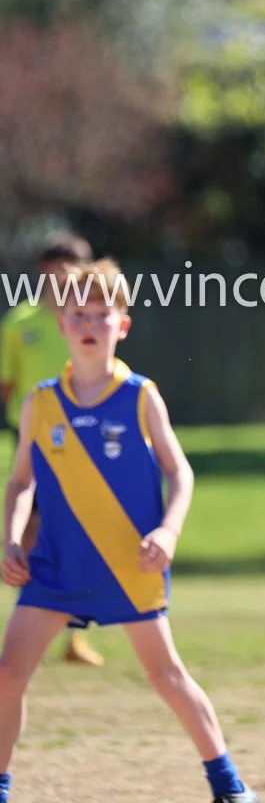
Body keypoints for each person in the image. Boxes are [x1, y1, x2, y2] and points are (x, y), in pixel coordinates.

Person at [0, 259, 257, 803]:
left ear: (123, 324)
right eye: (78, 313)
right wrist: (12, 538)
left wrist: (168, 532)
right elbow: (20, 480)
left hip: (129, 564)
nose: (90, 323)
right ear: (61, 323)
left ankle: (228, 784)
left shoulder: (140, 394)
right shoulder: (41, 402)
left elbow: (180, 471)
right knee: (8, 676)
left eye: (103, 313)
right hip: (56, 567)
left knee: (166, 676)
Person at [0, 231, 103, 667]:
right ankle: (26, 627)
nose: (62, 278)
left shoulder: (90, 320)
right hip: (35, 442)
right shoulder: (18, 323)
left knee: (82, 534)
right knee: (31, 534)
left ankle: (74, 637)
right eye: (55, 270)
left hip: (86, 440)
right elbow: (7, 385)